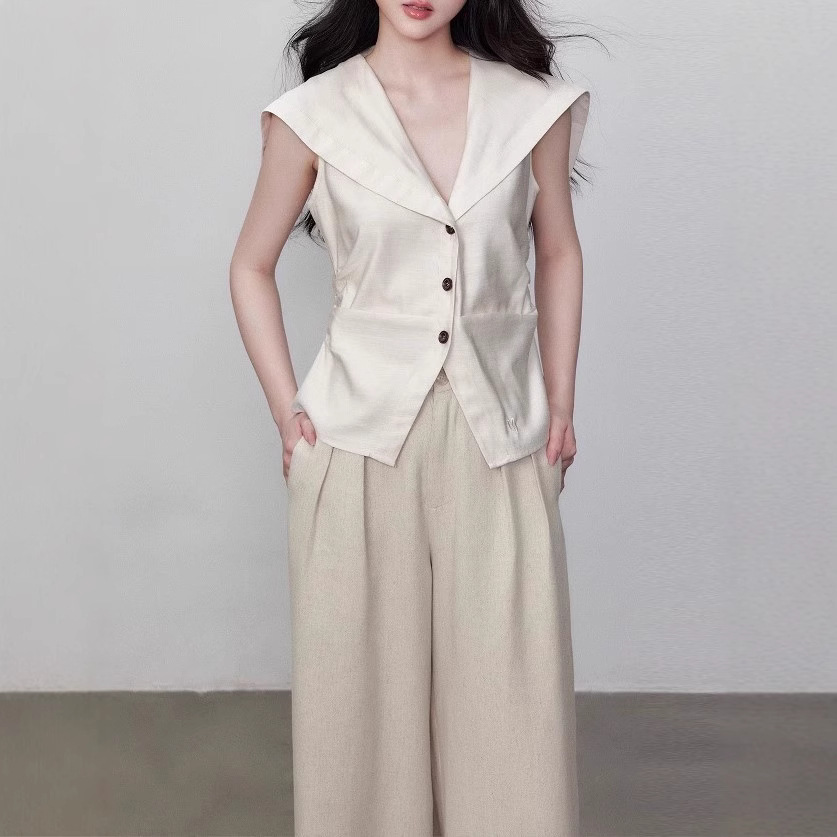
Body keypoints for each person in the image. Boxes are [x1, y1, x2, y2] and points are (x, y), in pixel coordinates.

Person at [230, 1, 591, 833]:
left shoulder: (529, 108)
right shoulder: (314, 115)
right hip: (356, 439)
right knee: (356, 718)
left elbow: (558, 249)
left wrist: (560, 399)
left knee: (513, 710)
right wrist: (288, 412)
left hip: (500, 433)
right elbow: (249, 265)